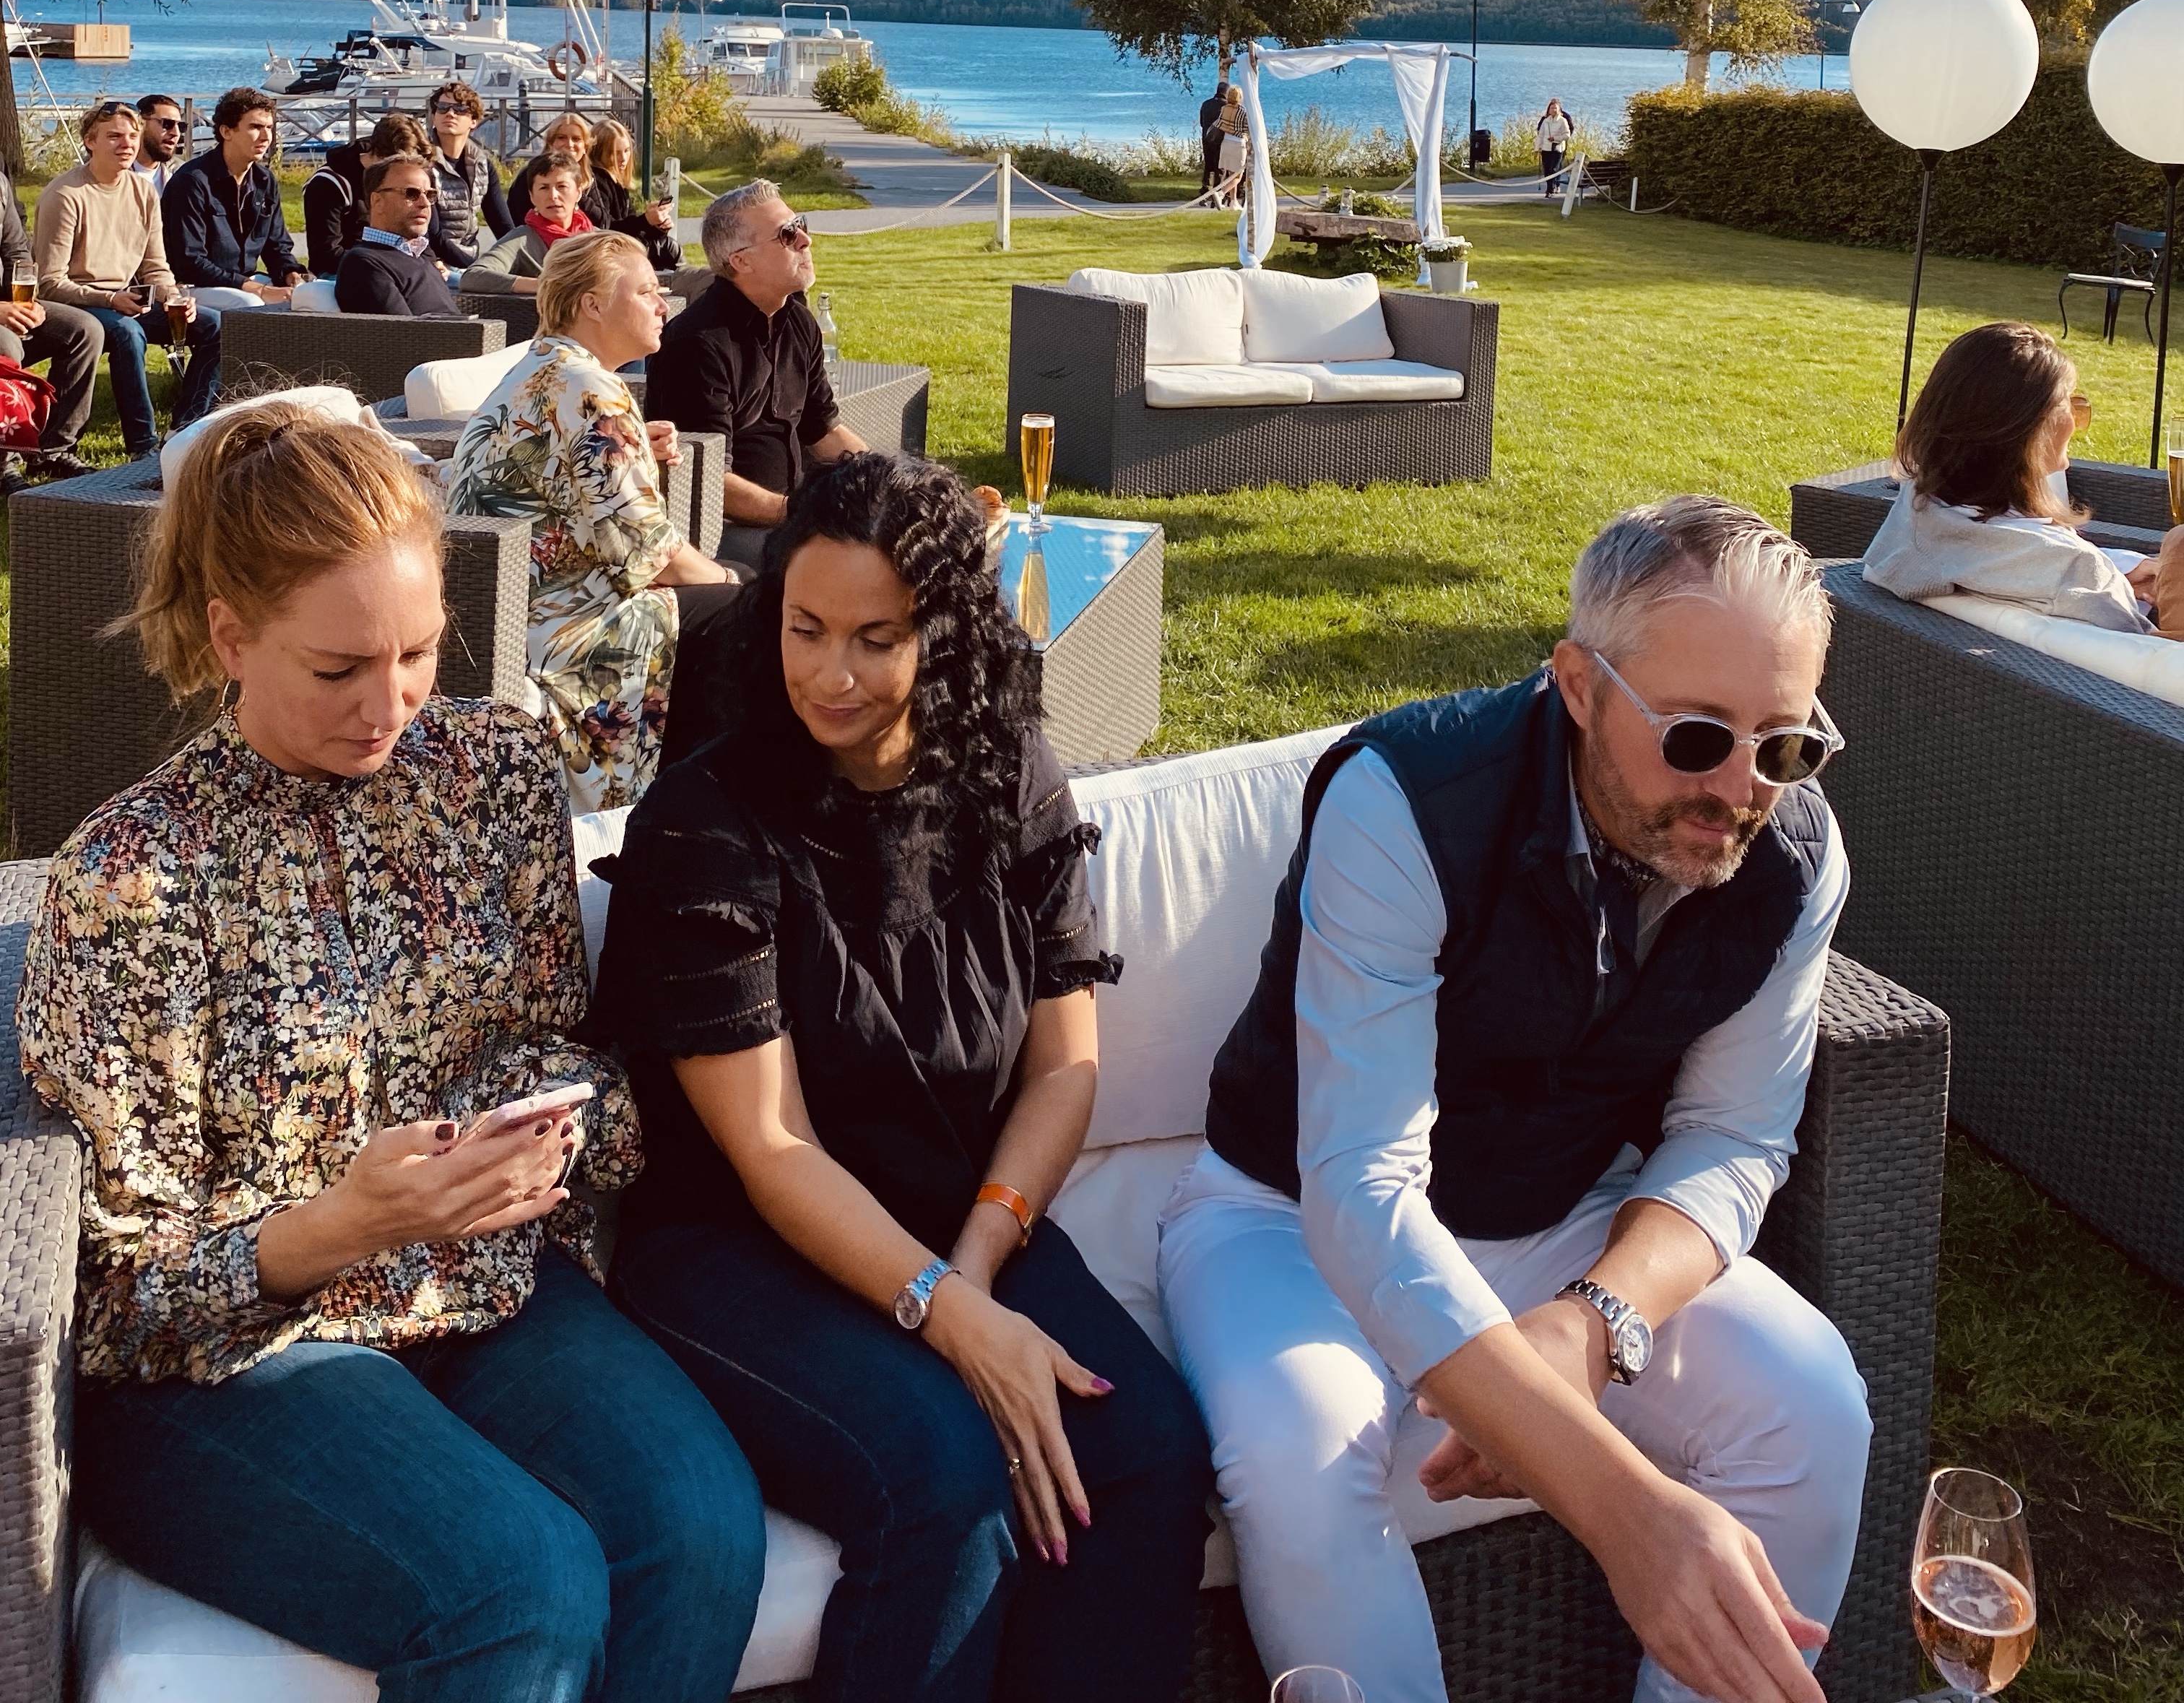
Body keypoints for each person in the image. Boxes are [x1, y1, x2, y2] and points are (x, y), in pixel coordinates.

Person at [14, 401, 765, 1702]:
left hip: (487, 1287)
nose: (390, 705)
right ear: (230, 637)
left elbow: (566, 1053)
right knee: (518, 1587)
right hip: (236, 1355)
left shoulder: (495, 775)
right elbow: (119, 1302)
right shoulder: (135, 877)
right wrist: (342, 1225)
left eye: (418, 652)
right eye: (338, 668)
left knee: (699, 1530)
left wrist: (548, 1135)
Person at [1158, 494, 1869, 1703]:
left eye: (1784, 744)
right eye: (1697, 736)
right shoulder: (1407, 799)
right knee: (1297, 1456)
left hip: (1559, 1213)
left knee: (1813, 1406)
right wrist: (1623, 1512)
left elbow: (1732, 1132)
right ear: (1579, 685)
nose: (1741, 789)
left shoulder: (1794, 858)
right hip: (1283, 1217)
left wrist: (1591, 1322)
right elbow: (1360, 1184)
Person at [589, 452, 1214, 1703]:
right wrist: (951, 1317)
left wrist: (974, 1267)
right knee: (943, 1474)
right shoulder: (709, 823)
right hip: (736, 1247)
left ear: (944, 632)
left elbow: (1064, 1067)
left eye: (875, 639)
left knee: (1148, 1450)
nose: (832, 672)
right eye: (805, 629)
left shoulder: (1011, 777)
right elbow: (770, 1149)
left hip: (958, 1215)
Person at [446, 229, 734, 807]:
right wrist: (732, 583)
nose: (664, 305)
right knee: (747, 613)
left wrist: (633, 446)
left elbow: (561, 481)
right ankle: (687, 806)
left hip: (506, 619)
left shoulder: (544, 369)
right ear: (593, 305)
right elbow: (652, 554)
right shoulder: (589, 391)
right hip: (560, 631)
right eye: (647, 291)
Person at [1864, 318, 2184, 634]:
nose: (2076, 422)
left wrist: (2121, 570)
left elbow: (2016, 562)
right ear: (2029, 431)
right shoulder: (2080, 574)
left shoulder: (1917, 514)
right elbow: (2151, 650)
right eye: (2069, 404)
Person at [646, 179, 867, 568]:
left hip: (788, 513)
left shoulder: (798, 321)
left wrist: (888, 480)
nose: (805, 240)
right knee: (855, 566)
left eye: (801, 225)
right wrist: (804, 514)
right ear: (741, 261)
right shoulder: (699, 343)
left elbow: (823, 430)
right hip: (720, 530)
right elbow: (708, 480)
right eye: (787, 234)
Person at [34, 98, 219, 456]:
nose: (127, 144)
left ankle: (184, 430)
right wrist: (109, 299)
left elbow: (155, 265)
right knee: (127, 333)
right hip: (79, 304)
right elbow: (50, 283)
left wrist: (174, 298)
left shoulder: (143, 191)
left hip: (127, 299)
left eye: (133, 136)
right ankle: (143, 446)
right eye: (114, 136)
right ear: (90, 141)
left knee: (214, 326)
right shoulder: (65, 195)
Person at [0, 160, 102, 483]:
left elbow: (16, 252)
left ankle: (53, 451)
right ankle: (5, 461)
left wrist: (25, 303)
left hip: (6, 303)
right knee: (6, 344)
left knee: (84, 330)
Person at [160, 85, 301, 313]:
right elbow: (191, 262)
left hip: (245, 280)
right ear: (226, 132)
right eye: (255, 127)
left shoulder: (265, 180)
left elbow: (277, 247)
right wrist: (258, 290)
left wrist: (291, 274)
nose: (266, 137)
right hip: (195, 286)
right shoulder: (191, 181)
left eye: (269, 127)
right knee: (251, 305)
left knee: (314, 298)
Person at [334, 152, 464, 316]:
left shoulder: (420, 257)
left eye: (430, 195)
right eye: (411, 194)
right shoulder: (364, 264)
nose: (425, 203)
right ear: (378, 202)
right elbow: (401, 331)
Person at [306, 111, 433, 275]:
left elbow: (418, 236)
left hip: (402, 264)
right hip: (344, 273)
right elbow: (325, 255)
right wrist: (391, 266)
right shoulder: (329, 183)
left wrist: (432, 263)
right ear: (380, 157)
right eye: (400, 169)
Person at [466, 153, 595, 298]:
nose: (553, 195)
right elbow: (473, 277)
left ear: (578, 193)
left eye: (562, 186)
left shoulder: (597, 240)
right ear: (532, 197)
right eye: (544, 188)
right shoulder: (521, 240)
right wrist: (544, 286)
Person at [425, 82, 514, 269]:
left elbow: (502, 226)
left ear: (474, 121)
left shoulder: (482, 164)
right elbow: (434, 235)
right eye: (442, 108)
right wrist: (474, 267)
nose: (450, 114)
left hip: (469, 257)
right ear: (433, 117)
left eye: (459, 109)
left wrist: (517, 259)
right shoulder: (424, 164)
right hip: (433, 261)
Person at [587, 117, 682, 273]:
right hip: (612, 253)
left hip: (625, 246)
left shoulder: (617, 181)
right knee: (670, 249)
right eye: (615, 153)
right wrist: (646, 220)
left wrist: (656, 226)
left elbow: (631, 226)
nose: (624, 159)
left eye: (627, 151)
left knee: (669, 246)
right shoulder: (597, 182)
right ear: (599, 153)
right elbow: (608, 227)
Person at [508, 111, 599, 226]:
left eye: (576, 139)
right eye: (562, 138)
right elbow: (516, 221)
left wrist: (578, 193)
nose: (569, 144)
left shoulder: (589, 177)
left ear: (585, 146)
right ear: (550, 144)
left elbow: (603, 223)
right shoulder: (531, 175)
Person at [131, 94, 188, 197]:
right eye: (167, 124)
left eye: (181, 126)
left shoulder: (182, 174)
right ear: (141, 124)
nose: (176, 133)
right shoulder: (114, 172)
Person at [1535, 97, 1573, 198]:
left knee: (1554, 169)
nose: (1554, 110)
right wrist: (1537, 148)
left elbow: (1567, 135)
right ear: (1549, 110)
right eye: (1552, 108)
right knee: (1547, 170)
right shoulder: (1545, 121)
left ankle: (1550, 190)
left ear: (1559, 109)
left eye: (1556, 108)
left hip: (1557, 149)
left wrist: (1556, 139)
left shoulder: (1563, 121)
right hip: (1546, 149)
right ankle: (1550, 189)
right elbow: (1541, 135)